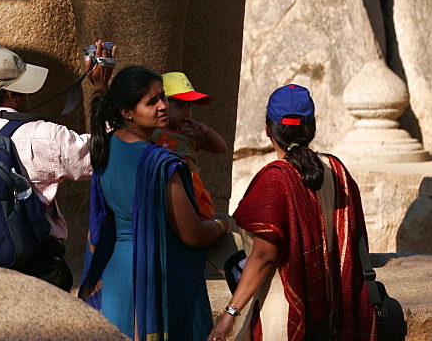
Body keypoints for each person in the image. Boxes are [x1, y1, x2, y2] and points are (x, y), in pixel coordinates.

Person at [0, 40, 115, 291]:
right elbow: (104, 154)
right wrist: (100, 87)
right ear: (12, 95)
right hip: (36, 272)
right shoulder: (44, 136)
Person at [208, 84, 376, 341]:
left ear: (268, 129)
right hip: (330, 312)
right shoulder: (336, 169)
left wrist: (229, 314)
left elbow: (264, 255)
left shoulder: (275, 180)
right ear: (312, 129)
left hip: (282, 318)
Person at [80, 65, 236, 341]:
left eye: (163, 97)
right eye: (152, 102)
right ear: (127, 112)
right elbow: (193, 235)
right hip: (152, 272)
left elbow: (104, 110)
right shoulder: (161, 164)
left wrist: (100, 86)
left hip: (117, 272)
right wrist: (223, 223)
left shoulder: (107, 144)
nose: (163, 106)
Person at [152, 70, 227, 219]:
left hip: (193, 192)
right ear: (162, 104)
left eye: (189, 106)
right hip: (167, 192)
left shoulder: (188, 135)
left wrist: (207, 132)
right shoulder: (152, 132)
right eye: (180, 106)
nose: (186, 112)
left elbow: (221, 148)